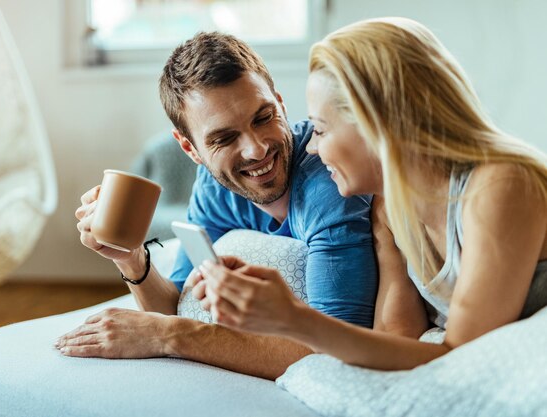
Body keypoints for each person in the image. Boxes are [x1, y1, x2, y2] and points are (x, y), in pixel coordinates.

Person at [199, 17, 547, 370]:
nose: (314, 148)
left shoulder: (501, 187)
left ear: (375, 125)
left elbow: (463, 360)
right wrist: (281, 316)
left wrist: (294, 320)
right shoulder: (391, 210)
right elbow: (396, 340)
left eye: (319, 129)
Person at [55, 32, 381, 379]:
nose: (256, 150)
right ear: (190, 148)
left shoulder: (330, 185)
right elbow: (175, 304)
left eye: (263, 117)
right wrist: (131, 258)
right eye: (224, 138)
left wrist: (170, 336)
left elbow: (334, 349)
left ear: (281, 103)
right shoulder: (213, 187)